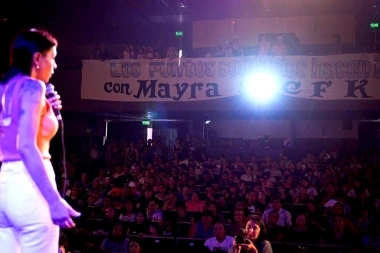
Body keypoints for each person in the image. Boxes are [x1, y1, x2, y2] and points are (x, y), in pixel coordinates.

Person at [0, 28, 80, 253]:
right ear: (37, 58)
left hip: (5, 185)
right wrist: (54, 200)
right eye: (52, 58)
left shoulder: (3, 88)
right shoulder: (32, 86)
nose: (54, 66)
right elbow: (25, 146)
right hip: (31, 188)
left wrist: (46, 109)